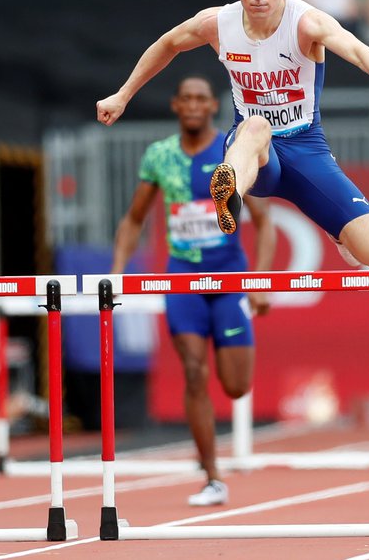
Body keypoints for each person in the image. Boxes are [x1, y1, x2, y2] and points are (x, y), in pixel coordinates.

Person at [97, 0, 369, 272]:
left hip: (306, 149)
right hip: (253, 152)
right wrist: (123, 95)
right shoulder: (219, 23)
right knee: (256, 125)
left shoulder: (306, 22)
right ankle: (229, 193)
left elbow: (355, 48)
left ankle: (337, 233)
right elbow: (167, 44)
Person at [110, 75, 276, 506]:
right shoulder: (160, 156)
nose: (194, 105)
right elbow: (134, 219)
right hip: (181, 280)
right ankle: (212, 474)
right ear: (175, 105)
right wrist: (113, 273)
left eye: (202, 98)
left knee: (237, 386)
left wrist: (258, 281)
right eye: (186, 98)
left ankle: (210, 466)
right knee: (194, 373)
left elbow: (265, 224)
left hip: (229, 281)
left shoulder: (230, 152)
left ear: (211, 107)